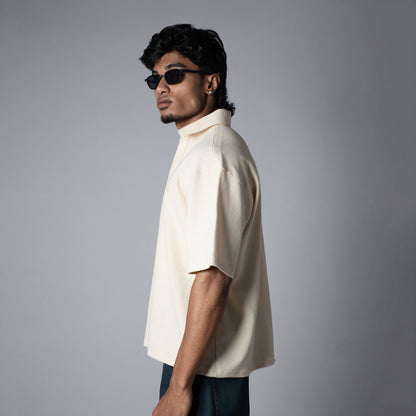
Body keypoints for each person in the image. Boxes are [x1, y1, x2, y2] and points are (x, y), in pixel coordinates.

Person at [140, 24, 275, 416]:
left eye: (174, 75)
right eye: (154, 79)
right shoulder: (201, 148)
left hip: (203, 370)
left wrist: (180, 388)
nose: (160, 87)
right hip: (196, 358)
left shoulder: (213, 157)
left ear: (211, 82)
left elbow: (213, 277)